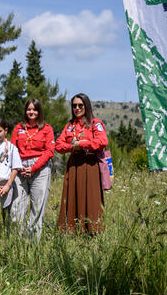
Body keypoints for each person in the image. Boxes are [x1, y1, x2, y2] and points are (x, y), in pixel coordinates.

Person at [55, 93, 108, 235]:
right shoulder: (70, 125)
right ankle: (72, 230)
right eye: (74, 106)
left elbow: (102, 141)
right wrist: (73, 147)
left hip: (90, 165)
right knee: (72, 197)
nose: (77, 108)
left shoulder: (95, 123)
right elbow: (59, 145)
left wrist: (83, 144)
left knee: (91, 197)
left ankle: (93, 231)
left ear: (86, 106)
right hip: (74, 165)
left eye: (80, 105)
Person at [11, 99, 55, 241]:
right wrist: (19, 166)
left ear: (39, 111)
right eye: (29, 109)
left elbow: (49, 151)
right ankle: (18, 243)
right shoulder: (18, 128)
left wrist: (34, 168)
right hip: (20, 168)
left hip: (40, 169)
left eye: (34, 109)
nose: (31, 112)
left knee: (37, 208)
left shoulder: (46, 128)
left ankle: (32, 244)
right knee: (17, 207)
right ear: (25, 111)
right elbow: (12, 148)